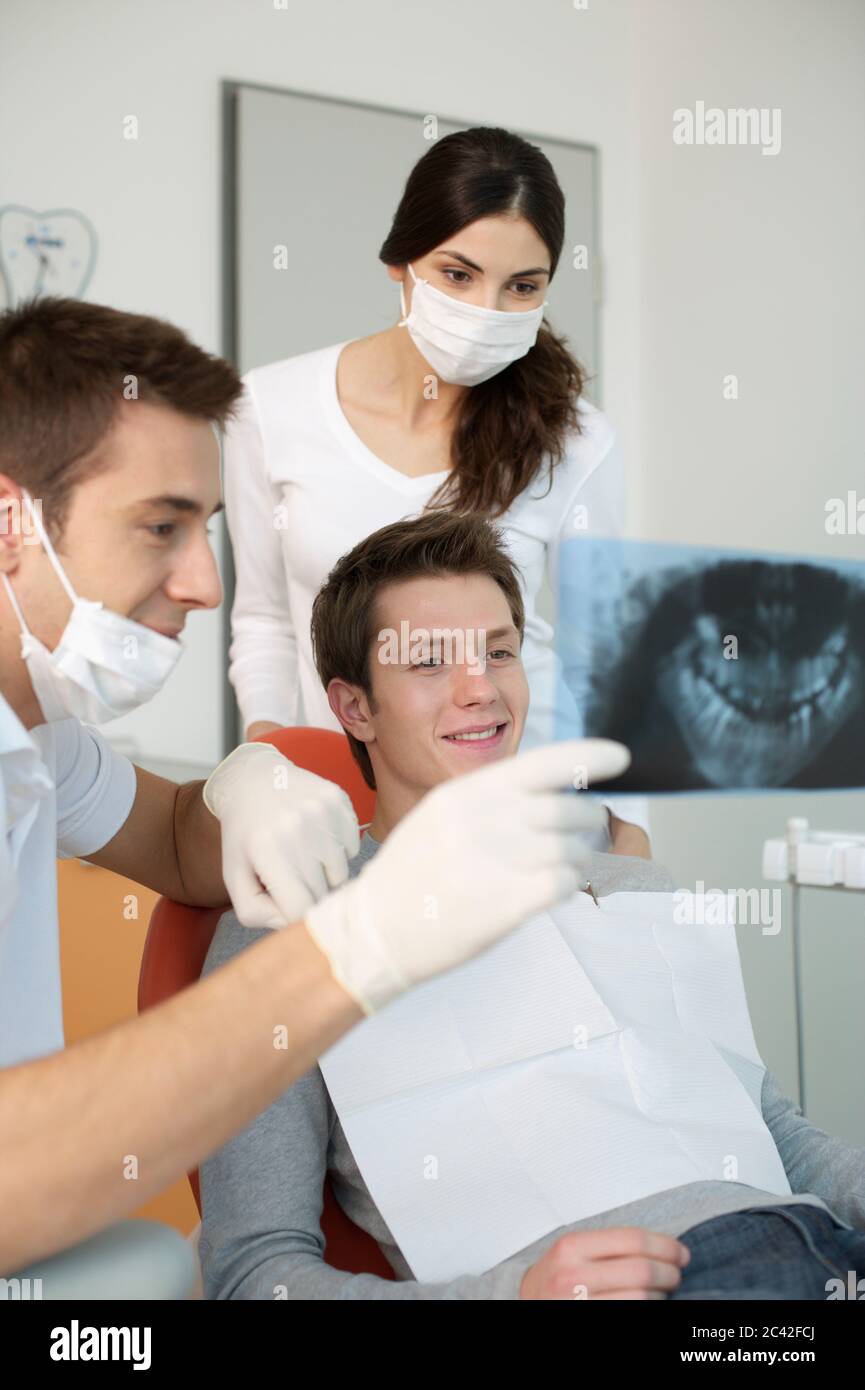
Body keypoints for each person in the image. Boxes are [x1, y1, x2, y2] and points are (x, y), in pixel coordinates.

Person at [0, 296, 627, 1292]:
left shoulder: (42, 743)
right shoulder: (332, 923)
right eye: (160, 526)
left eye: (205, 528)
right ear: (11, 523)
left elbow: (171, 835)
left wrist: (249, 778)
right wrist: (358, 945)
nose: (206, 583)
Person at [200, 511, 865, 1300]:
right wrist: (506, 1298)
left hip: (827, 1247)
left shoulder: (631, 886)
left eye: (499, 652)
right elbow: (253, 1275)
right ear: (355, 708)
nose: (479, 688)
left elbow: (774, 1133)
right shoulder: (294, 922)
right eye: (427, 663)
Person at [222, 124, 648, 856]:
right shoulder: (270, 409)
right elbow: (264, 621)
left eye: (522, 286)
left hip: (526, 816)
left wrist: (629, 830)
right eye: (458, 274)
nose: (487, 309)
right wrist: (272, 765)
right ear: (400, 261)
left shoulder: (577, 441)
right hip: (338, 809)